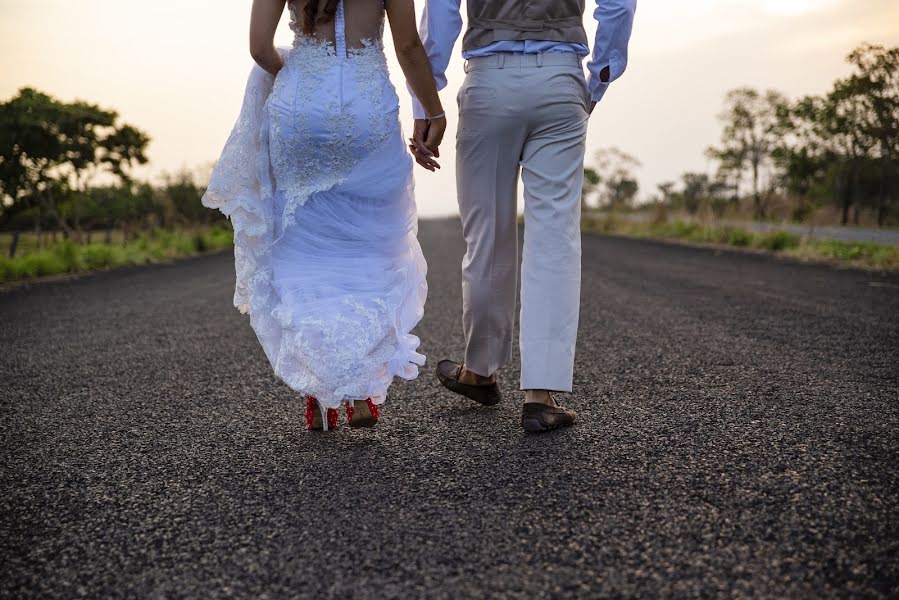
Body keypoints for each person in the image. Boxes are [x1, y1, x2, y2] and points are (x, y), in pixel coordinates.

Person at [203, 0, 445, 430]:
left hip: (300, 109)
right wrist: (433, 111)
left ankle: (318, 393)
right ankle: (364, 390)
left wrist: (297, 75)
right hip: (365, 104)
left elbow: (260, 48)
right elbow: (407, 45)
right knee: (372, 247)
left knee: (303, 249)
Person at [409, 0, 637, 432]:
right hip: (560, 76)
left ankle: (479, 369)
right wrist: (599, 77)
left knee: (487, 236)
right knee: (554, 239)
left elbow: (440, 14)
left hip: (489, 78)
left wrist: (426, 103)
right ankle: (540, 395)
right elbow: (619, 5)